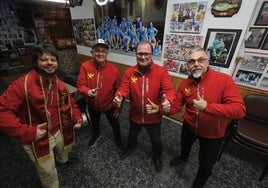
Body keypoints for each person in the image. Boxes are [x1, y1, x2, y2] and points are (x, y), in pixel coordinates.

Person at [146, 47, 246, 187]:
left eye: (201, 60)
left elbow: (239, 110)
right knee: (184, 145)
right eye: (192, 62)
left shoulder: (224, 80)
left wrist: (207, 107)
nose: (196, 64)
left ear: (207, 62)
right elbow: (175, 108)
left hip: (213, 134)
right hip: (189, 126)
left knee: (206, 165)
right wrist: (160, 109)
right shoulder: (184, 84)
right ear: (188, 66)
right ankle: (183, 157)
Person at [0, 42, 83, 188]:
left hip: (60, 129)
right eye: (44, 60)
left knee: (65, 149)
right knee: (47, 171)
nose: (49, 63)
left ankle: (63, 160)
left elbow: (71, 102)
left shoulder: (59, 84)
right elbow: (2, 112)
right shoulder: (22, 85)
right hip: (37, 136)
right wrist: (28, 132)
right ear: (35, 62)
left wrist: (77, 117)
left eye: (53, 60)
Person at [113, 41, 176, 172]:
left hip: (154, 117)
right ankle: (130, 147)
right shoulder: (129, 72)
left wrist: (168, 101)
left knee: (156, 141)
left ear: (152, 55)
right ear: (136, 55)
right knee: (132, 135)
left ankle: (157, 156)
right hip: (135, 115)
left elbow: (169, 90)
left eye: (146, 54)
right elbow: (123, 88)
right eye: (140, 54)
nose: (143, 57)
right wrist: (119, 96)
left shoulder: (161, 72)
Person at [76, 38, 124, 150]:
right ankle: (96, 136)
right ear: (92, 52)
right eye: (97, 50)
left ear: (107, 54)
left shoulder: (114, 70)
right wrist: (88, 92)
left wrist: (118, 109)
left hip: (109, 105)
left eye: (103, 51)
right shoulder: (85, 66)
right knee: (95, 123)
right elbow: (80, 86)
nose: (100, 53)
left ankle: (118, 140)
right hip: (92, 105)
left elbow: (119, 90)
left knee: (115, 125)